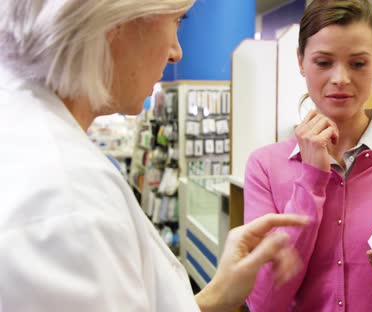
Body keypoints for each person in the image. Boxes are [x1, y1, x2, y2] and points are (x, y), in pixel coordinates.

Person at [0, 1, 308, 311]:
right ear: (114, 19)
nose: (177, 52)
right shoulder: (68, 199)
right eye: (177, 21)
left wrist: (215, 297)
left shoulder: (33, 139)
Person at [243, 0, 372, 311]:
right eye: (323, 62)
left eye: (357, 64)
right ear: (300, 61)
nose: (341, 78)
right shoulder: (265, 166)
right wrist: (311, 180)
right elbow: (264, 303)